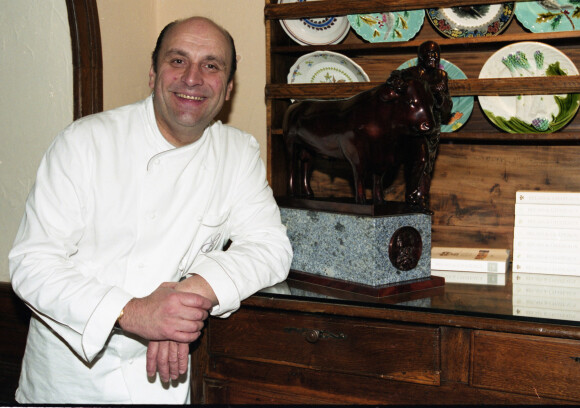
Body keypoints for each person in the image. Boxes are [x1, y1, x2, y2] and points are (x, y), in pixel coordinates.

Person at [8, 16, 292, 404]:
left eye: (211, 65)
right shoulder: (84, 142)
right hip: (69, 383)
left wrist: (191, 292)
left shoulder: (238, 154)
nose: (192, 78)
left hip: (162, 386)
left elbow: (270, 248)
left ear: (227, 89)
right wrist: (133, 312)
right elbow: (32, 264)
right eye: (178, 61)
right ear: (152, 74)